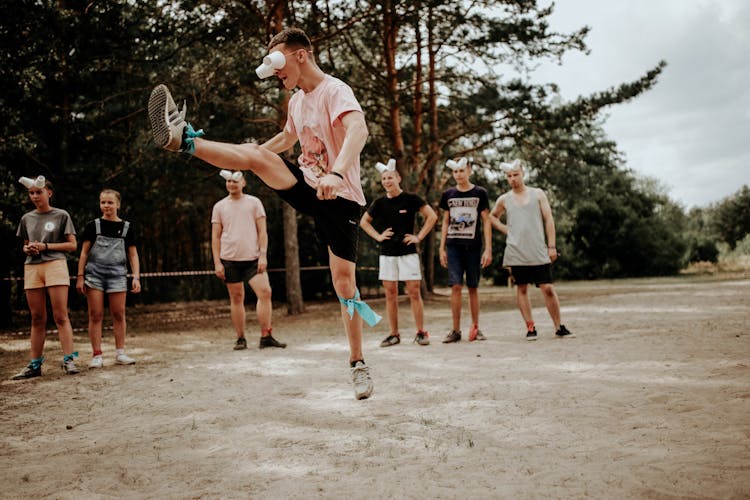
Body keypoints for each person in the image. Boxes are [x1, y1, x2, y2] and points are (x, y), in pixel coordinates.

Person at [147, 27, 380, 400]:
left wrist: (336, 173)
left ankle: (357, 363)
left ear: (300, 55)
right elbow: (286, 141)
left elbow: (359, 129)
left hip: (340, 197)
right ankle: (184, 140)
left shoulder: (335, 91)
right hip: (306, 187)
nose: (276, 76)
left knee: (344, 286)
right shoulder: (297, 102)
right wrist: (247, 159)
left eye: (278, 63)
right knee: (255, 152)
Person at [489, 159, 573, 341]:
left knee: (548, 287)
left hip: (538, 249)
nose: (513, 179)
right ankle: (530, 327)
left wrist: (552, 246)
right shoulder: (504, 199)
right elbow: (492, 217)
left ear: (523, 173)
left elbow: (549, 219)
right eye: (509, 176)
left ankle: (559, 326)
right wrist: (506, 230)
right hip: (516, 251)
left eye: (515, 174)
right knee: (521, 288)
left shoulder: (538, 194)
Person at [360, 159, 438, 347]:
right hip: (387, 254)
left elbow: (432, 216)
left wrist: (418, 237)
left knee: (413, 292)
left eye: (390, 178)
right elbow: (364, 222)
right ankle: (394, 334)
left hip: (408, 253)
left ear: (398, 178)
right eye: (384, 178)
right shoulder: (379, 202)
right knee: (390, 293)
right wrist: (378, 237)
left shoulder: (411, 199)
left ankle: (421, 332)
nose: (387, 181)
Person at [12, 176, 79, 379]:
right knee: (37, 317)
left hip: (55, 265)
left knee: (60, 315)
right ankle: (35, 364)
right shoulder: (26, 218)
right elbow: (25, 244)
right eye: (31, 193)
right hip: (32, 268)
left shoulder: (61, 215)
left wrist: (46, 246)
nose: (34, 196)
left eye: (38, 192)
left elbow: (72, 245)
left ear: (49, 193)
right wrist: (28, 248)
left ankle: (69, 359)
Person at [212, 170, 286, 350]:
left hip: (253, 259)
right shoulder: (219, 206)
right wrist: (217, 262)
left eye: (235, 181)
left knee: (265, 292)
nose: (231, 184)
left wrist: (263, 255)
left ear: (243, 182)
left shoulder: (254, 203)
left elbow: (263, 232)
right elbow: (215, 237)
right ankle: (240, 338)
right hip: (229, 259)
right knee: (236, 298)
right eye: (228, 181)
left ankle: (266, 336)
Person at [76, 188, 141, 368]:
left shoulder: (127, 228)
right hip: (94, 274)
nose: (106, 206)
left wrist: (136, 277)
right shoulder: (93, 226)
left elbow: (133, 255)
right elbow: (83, 254)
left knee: (118, 314)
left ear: (118, 204)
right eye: (103, 202)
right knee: (95, 314)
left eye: (110, 202)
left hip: (118, 275)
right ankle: (97, 355)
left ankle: (120, 353)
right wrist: (80, 276)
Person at [438, 158, 492, 343]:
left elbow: (486, 221)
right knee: (455, 286)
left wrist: (488, 249)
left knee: (473, 287)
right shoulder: (448, 194)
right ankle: (455, 330)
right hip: (453, 246)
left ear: (469, 170)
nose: (459, 174)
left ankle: (476, 328)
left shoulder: (480, 193)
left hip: (473, 247)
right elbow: (445, 221)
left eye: (462, 170)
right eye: (455, 171)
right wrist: (441, 248)